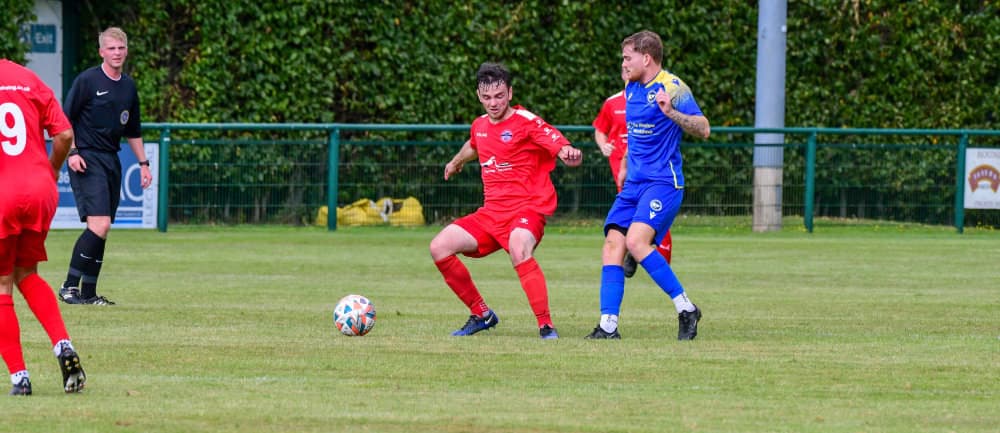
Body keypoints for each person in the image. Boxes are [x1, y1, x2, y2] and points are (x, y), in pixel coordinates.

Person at [429, 62, 583, 339]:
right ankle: (482, 314)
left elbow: (556, 141)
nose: (493, 103)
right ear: (479, 95)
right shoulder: (479, 125)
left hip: (528, 208)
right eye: (487, 97)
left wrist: (568, 153)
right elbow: (473, 145)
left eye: (499, 96)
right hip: (491, 214)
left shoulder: (526, 121)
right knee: (439, 247)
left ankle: (546, 325)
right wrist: (455, 162)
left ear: (510, 93)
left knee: (518, 245)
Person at [586, 30, 710, 340]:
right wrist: (625, 165)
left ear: (646, 58)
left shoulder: (673, 87)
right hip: (634, 183)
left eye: (627, 58)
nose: (623, 64)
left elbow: (704, 128)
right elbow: (637, 134)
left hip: (663, 182)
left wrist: (671, 112)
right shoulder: (631, 88)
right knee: (612, 245)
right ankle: (608, 326)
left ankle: (686, 308)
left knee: (636, 242)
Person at [0, 58, 87, 395]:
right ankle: (63, 345)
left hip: (3, 192)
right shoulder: (27, 78)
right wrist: (51, 170)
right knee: (26, 273)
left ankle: (20, 379)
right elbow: (64, 134)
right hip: (39, 189)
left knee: (2, 284)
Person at [59, 27, 152, 305]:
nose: (116, 53)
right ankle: (69, 287)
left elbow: (133, 130)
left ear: (126, 51)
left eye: (121, 48)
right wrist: (72, 152)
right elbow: (64, 120)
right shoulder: (87, 80)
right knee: (100, 224)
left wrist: (144, 164)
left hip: (111, 159)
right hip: (87, 158)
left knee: (103, 227)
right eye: (111, 48)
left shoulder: (128, 86)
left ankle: (89, 293)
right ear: (101, 52)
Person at [592, 67, 673, 276]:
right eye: (624, 67)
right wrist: (603, 145)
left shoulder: (653, 97)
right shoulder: (612, 102)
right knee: (632, 211)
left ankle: (649, 256)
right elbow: (600, 130)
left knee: (652, 209)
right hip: (621, 166)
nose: (627, 70)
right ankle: (631, 251)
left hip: (646, 165)